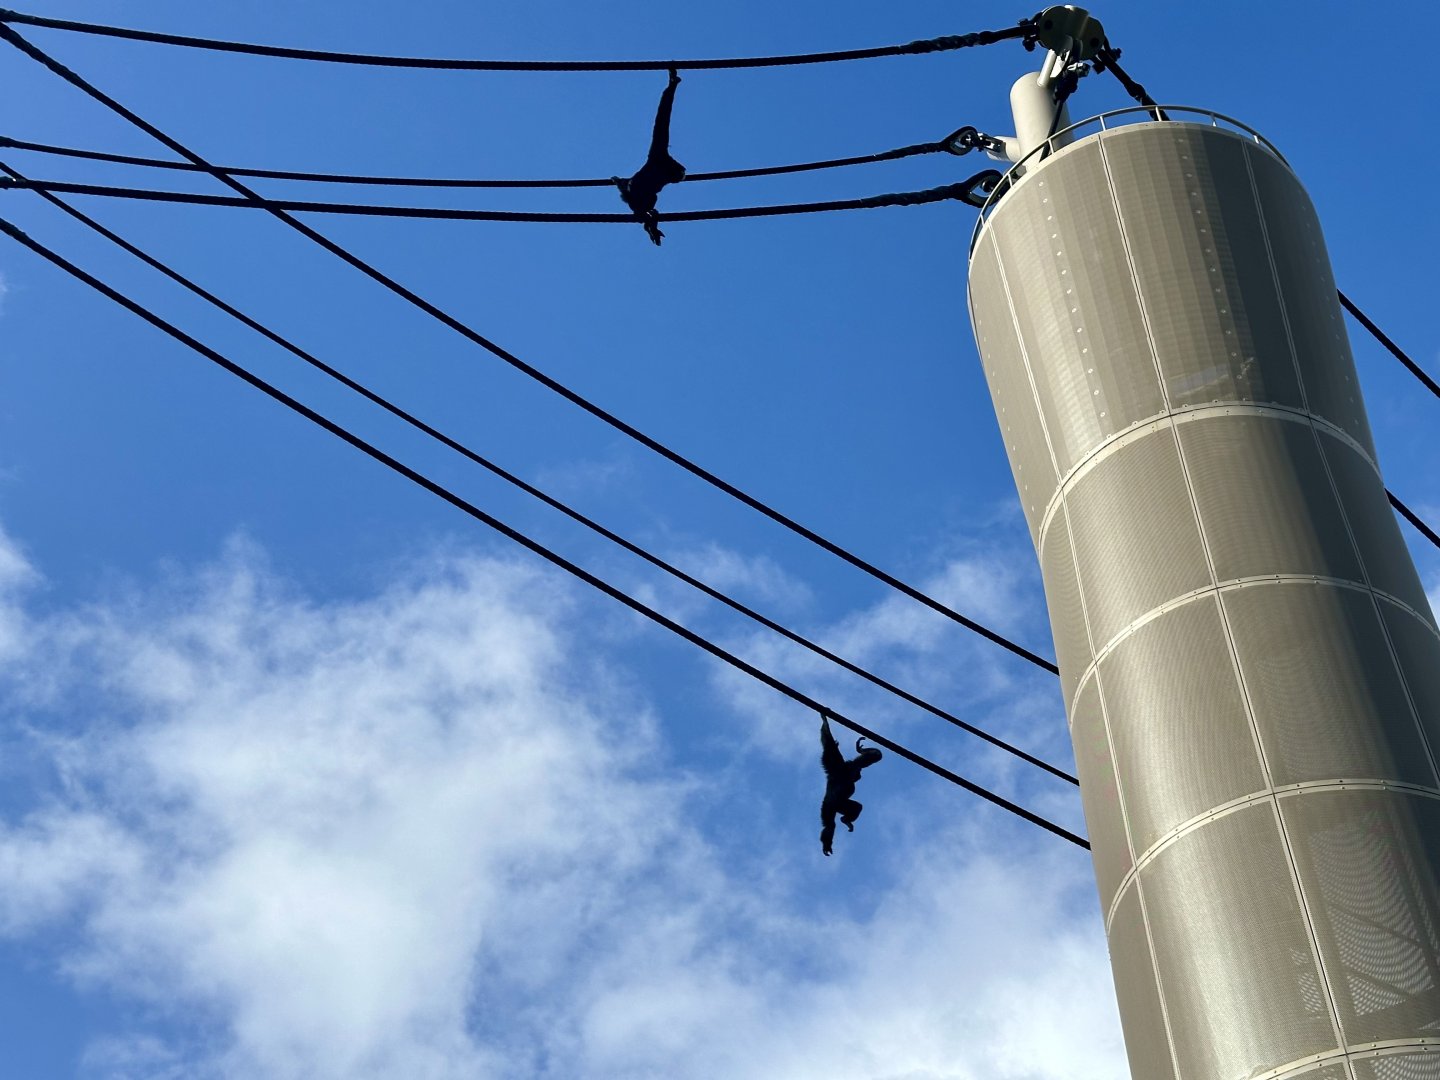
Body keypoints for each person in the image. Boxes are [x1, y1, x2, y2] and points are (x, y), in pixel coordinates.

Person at [613, 68, 686, 245]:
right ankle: (648, 223)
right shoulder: (659, 156)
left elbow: (662, 120)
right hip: (636, 192)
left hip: (636, 193)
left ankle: (649, 224)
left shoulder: (659, 160)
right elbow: (662, 119)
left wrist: (672, 86)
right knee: (648, 201)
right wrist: (671, 87)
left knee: (648, 201)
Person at [819, 712, 882, 856]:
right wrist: (824, 719)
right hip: (833, 800)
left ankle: (846, 819)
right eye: (857, 775)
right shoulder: (841, 769)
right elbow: (828, 743)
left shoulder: (853, 769)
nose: (859, 776)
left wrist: (862, 750)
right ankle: (844, 821)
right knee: (831, 824)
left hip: (838, 802)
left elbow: (877, 755)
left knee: (857, 808)